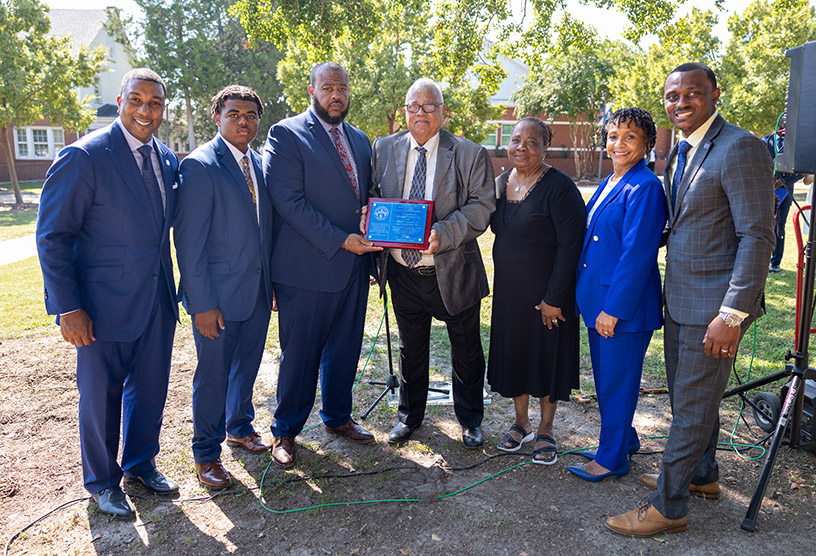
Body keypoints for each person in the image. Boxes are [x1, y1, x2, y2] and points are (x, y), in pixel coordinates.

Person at [606, 62, 775, 537]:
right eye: (672, 95)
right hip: (679, 300)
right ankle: (701, 476)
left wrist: (732, 313)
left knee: (693, 409)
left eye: (692, 93)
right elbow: (682, 222)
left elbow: (757, 236)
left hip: (715, 310)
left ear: (715, 94)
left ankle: (668, 505)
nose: (680, 102)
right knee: (690, 402)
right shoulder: (678, 152)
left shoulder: (740, 147)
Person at [36, 68, 180, 518]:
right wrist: (69, 308)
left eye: (154, 103)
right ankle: (102, 482)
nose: (145, 110)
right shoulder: (84, 156)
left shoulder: (168, 159)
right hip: (100, 309)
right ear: (120, 101)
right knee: (100, 397)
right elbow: (53, 236)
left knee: (151, 389)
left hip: (156, 303)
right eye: (136, 100)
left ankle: (141, 463)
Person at [263, 62, 379, 468]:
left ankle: (337, 417)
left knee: (346, 349)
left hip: (354, 268)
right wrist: (341, 239)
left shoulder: (361, 140)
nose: (336, 95)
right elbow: (289, 202)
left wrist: (371, 219)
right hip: (307, 270)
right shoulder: (286, 134)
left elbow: (366, 197)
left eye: (343, 88)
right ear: (311, 89)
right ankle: (285, 431)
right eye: (328, 87)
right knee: (301, 355)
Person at [371, 78, 496, 448]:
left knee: (467, 347)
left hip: (452, 270)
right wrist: (370, 214)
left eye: (429, 106)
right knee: (411, 348)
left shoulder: (470, 153)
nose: (421, 113)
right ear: (405, 110)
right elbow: (375, 194)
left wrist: (445, 231)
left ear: (443, 112)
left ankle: (471, 419)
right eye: (414, 106)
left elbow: (482, 205)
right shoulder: (382, 148)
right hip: (402, 272)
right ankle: (409, 416)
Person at [174, 86, 274, 489]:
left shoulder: (261, 163)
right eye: (234, 114)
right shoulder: (200, 166)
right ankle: (205, 453)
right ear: (217, 117)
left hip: (256, 292)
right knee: (212, 376)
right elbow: (189, 243)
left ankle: (239, 425)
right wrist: (201, 304)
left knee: (246, 368)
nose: (243, 121)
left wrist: (271, 285)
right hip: (216, 298)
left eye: (250, 115)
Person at [566, 108, 666, 481]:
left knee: (616, 382)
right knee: (609, 379)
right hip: (597, 301)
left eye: (630, 137)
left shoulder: (645, 186)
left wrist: (613, 309)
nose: (618, 144)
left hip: (621, 308)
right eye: (612, 136)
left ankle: (612, 459)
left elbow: (637, 254)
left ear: (647, 144)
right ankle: (623, 439)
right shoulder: (612, 180)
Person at [487, 117, 585, 464]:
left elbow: (571, 246)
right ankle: (520, 422)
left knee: (546, 359)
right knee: (516, 355)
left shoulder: (559, 188)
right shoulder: (501, 182)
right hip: (510, 294)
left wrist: (554, 299)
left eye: (532, 142)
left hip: (548, 296)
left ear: (545, 147)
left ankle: (546, 429)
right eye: (516, 140)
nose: (522, 148)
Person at [761, 117, 804, 273]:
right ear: (778, 122)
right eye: (784, 120)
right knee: (764, 225)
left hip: (785, 192)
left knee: (779, 227)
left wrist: (782, 182)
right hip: (765, 191)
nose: (786, 123)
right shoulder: (765, 141)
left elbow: (800, 171)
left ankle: (775, 262)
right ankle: (762, 260)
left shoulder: (795, 146)